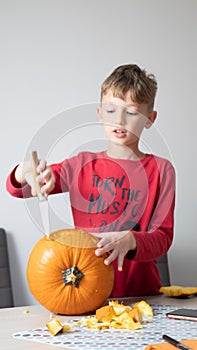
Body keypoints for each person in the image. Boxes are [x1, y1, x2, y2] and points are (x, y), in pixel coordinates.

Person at [6, 64, 175, 298]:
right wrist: (23, 172)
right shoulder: (79, 166)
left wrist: (131, 240)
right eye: (111, 111)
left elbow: (163, 239)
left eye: (132, 112)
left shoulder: (162, 170)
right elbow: (21, 190)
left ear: (150, 118)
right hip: (86, 292)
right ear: (99, 114)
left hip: (143, 293)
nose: (120, 120)